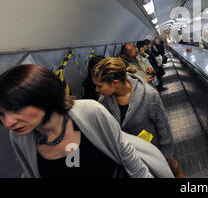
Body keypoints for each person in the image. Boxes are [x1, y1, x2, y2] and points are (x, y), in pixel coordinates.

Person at [0, 64, 173, 178]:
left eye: (16, 109)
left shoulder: (91, 111)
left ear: (44, 97)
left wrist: (166, 150)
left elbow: (127, 155)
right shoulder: (20, 138)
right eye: (1, 115)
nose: (8, 123)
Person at [92, 58, 184, 178]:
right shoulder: (104, 102)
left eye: (100, 86)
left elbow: (163, 126)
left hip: (152, 151)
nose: (96, 90)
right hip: (129, 157)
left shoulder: (149, 95)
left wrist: (166, 153)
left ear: (115, 83)